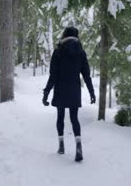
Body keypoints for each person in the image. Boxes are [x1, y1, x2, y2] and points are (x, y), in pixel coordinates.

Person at [42, 26, 96, 162]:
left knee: (60, 117)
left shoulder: (58, 51)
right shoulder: (81, 52)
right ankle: (78, 144)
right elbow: (86, 75)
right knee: (74, 118)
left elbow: (53, 75)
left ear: (64, 35)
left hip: (60, 88)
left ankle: (61, 145)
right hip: (74, 89)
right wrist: (91, 92)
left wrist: (46, 92)